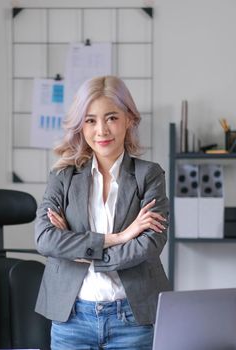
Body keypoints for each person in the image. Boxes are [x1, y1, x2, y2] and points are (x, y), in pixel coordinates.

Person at [34, 75, 171, 350]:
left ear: (129, 119)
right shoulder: (63, 176)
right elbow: (45, 239)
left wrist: (82, 251)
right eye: (90, 120)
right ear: (80, 126)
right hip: (71, 319)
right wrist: (119, 237)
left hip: (132, 318)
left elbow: (150, 244)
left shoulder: (149, 175)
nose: (101, 130)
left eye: (111, 118)